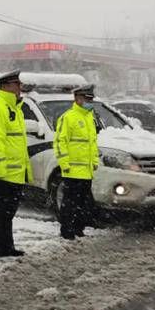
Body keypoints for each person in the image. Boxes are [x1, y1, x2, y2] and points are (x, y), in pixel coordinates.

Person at [0, 69, 33, 262]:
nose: (20, 88)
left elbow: (18, 142)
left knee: (7, 214)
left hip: (15, 173)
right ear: (6, 86)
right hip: (1, 173)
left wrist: (25, 168)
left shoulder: (15, 107)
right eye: (17, 84)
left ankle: (5, 247)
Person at [53, 84, 99, 240]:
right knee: (69, 203)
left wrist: (94, 161)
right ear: (78, 98)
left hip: (87, 171)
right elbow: (60, 142)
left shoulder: (89, 118)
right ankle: (67, 230)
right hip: (72, 170)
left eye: (91, 99)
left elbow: (92, 143)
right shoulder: (68, 117)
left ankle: (79, 228)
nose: (90, 102)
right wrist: (65, 165)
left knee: (83, 202)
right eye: (87, 99)